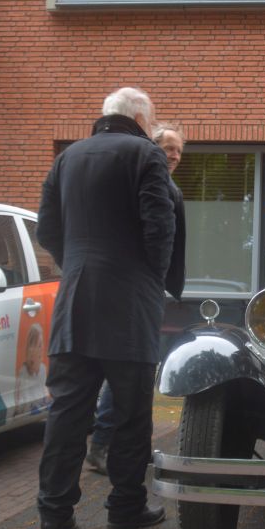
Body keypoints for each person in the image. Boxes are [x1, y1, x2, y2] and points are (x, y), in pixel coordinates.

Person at [35, 87, 176, 529]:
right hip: (130, 305)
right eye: (151, 120)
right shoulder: (146, 155)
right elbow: (160, 225)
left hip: (74, 301)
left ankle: (54, 520)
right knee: (132, 415)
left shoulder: (67, 158)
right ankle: (126, 508)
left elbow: (47, 229)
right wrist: (151, 277)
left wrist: (76, 264)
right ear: (139, 116)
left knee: (67, 415)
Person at [86, 123, 187, 476]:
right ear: (150, 148)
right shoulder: (145, 183)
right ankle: (102, 446)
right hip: (134, 292)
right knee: (127, 371)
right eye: (167, 147)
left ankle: (129, 447)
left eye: (178, 149)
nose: (173, 155)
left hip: (146, 290)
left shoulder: (165, 185)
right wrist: (152, 278)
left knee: (137, 374)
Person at [13, 322, 48, 417]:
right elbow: (20, 406)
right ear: (31, 349)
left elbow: (44, 394)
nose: (42, 349)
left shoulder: (43, 369)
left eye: (42, 344)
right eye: (39, 345)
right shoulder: (23, 373)